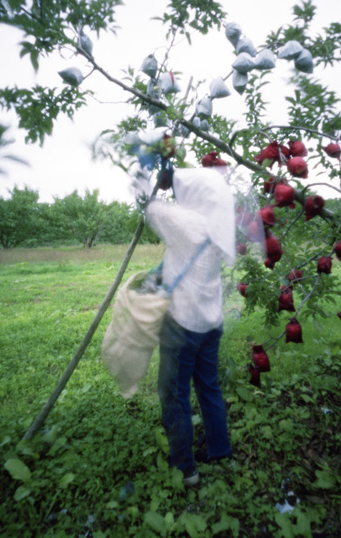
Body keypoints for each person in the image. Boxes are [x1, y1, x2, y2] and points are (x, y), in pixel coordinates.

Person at [145, 167, 235, 486]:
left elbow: (150, 209)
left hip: (183, 324)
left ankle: (185, 469)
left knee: (174, 394)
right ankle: (220, 449)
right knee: (208, 387)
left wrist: (163, 176)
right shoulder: (220, 226)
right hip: (211, 322)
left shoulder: (186, 222)